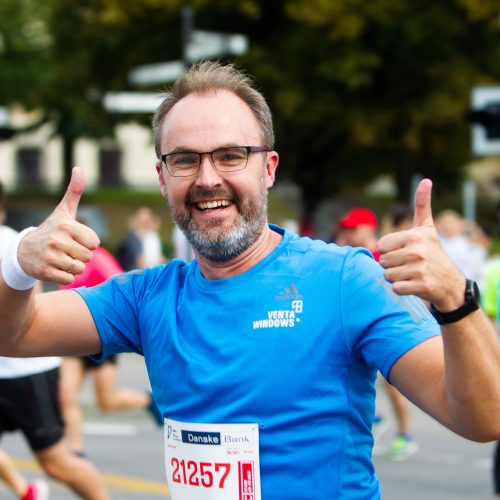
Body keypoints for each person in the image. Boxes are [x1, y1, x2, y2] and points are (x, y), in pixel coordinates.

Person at [0, 61, 499, 499]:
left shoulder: (346, 280)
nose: (208, 178)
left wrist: (457, 300)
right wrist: (17, 263)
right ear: (161, 177)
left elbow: (484, 418)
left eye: (231, 155)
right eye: (185, 159)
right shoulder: (146, 297)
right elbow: (15, 334)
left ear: (268, 168)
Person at [0, 183, 109, 500]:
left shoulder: (11, 242)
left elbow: (28, 310)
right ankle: (26, 492)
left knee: (57, 463)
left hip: (26, 373)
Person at [58, 240, 161, 458]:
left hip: (98, 336)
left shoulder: (98, 256)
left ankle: (149, 401)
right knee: (66, 397)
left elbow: (120, 283)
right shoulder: (63, 261)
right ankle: (77, 452)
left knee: (106, 401)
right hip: (73, 339)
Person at [336, 205, 418, 461]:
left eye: (353, 228)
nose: (348, 233)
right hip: (357, 330)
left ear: (368, 228)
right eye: (346, 229)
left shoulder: (382, 254)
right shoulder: (347, 255)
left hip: (386, 328)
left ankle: (405, 435)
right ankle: (375, 419)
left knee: (391, 383)